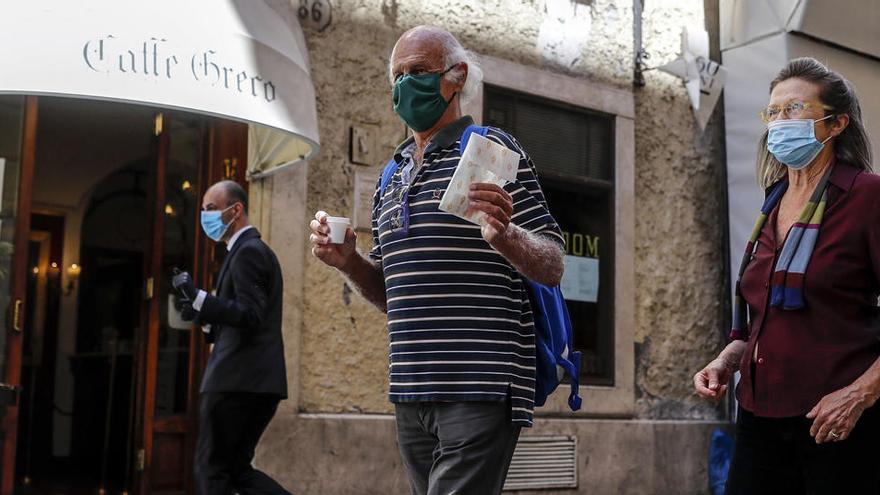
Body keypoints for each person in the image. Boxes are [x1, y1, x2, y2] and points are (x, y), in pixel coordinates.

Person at [309, 25, 565, 495]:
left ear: (457, 77)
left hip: (481, 383)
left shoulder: (492, 154)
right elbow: (390, 292)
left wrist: (505, 235)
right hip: (410, 388)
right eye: (398, 75)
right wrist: (348, 261)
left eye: (419, 72)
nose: (406, 84)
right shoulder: (391, 175)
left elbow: (552, 264)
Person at [693, 58, 879, 494]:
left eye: (793, 109)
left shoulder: (866, 196)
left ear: (836, 124)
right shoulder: (772, 203)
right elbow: (765, 317)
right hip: (759, 414)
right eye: (773, 112)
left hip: (835, 420)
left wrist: (860, 394)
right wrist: (726, 360)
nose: (779, 121)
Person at [173, 180, 291, 495]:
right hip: (253, 381)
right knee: (236, 469)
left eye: (211, 209)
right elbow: (238, 318)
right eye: (202, 211)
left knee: (212, 469)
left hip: (237, 380)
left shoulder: (248, 252)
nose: (205, 218)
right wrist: (202, 315)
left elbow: (251, 315)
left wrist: (201, 299)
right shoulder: (244, 252)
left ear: (235, 210)